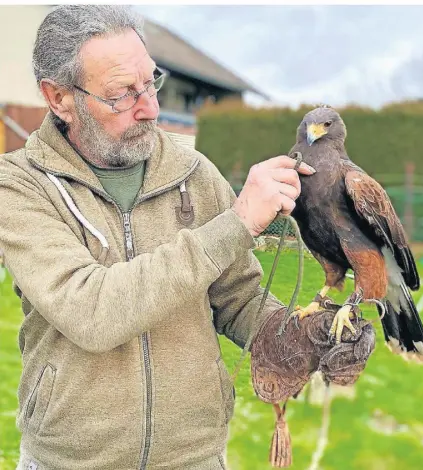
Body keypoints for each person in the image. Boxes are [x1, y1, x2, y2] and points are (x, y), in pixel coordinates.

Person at [0, 6, 316, 470]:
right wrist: (236, 224)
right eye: (121, 95)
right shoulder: (20, 186)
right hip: (68, 461)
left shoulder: (195, 174)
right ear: (58, 98)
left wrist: (303, 335)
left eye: (151, 83)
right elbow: (92, 311)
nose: (150, 107)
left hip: (196, 459)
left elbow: (239, 297)